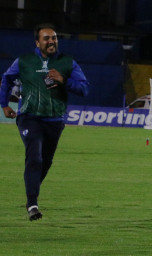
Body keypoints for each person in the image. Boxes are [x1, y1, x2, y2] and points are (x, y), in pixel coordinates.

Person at [0, 24, 90, 220]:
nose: (51, 41)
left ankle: (31, 190)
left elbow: (84, 89)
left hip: (55, 120)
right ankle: (32, 204)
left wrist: (64, 80)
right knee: (35, 157)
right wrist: (4, 104)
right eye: (47, 38)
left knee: (46, 161)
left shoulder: (67, 62)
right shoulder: (24, 61)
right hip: (29, 117)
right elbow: (6, 79)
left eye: (54, 38)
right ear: (37, 42)